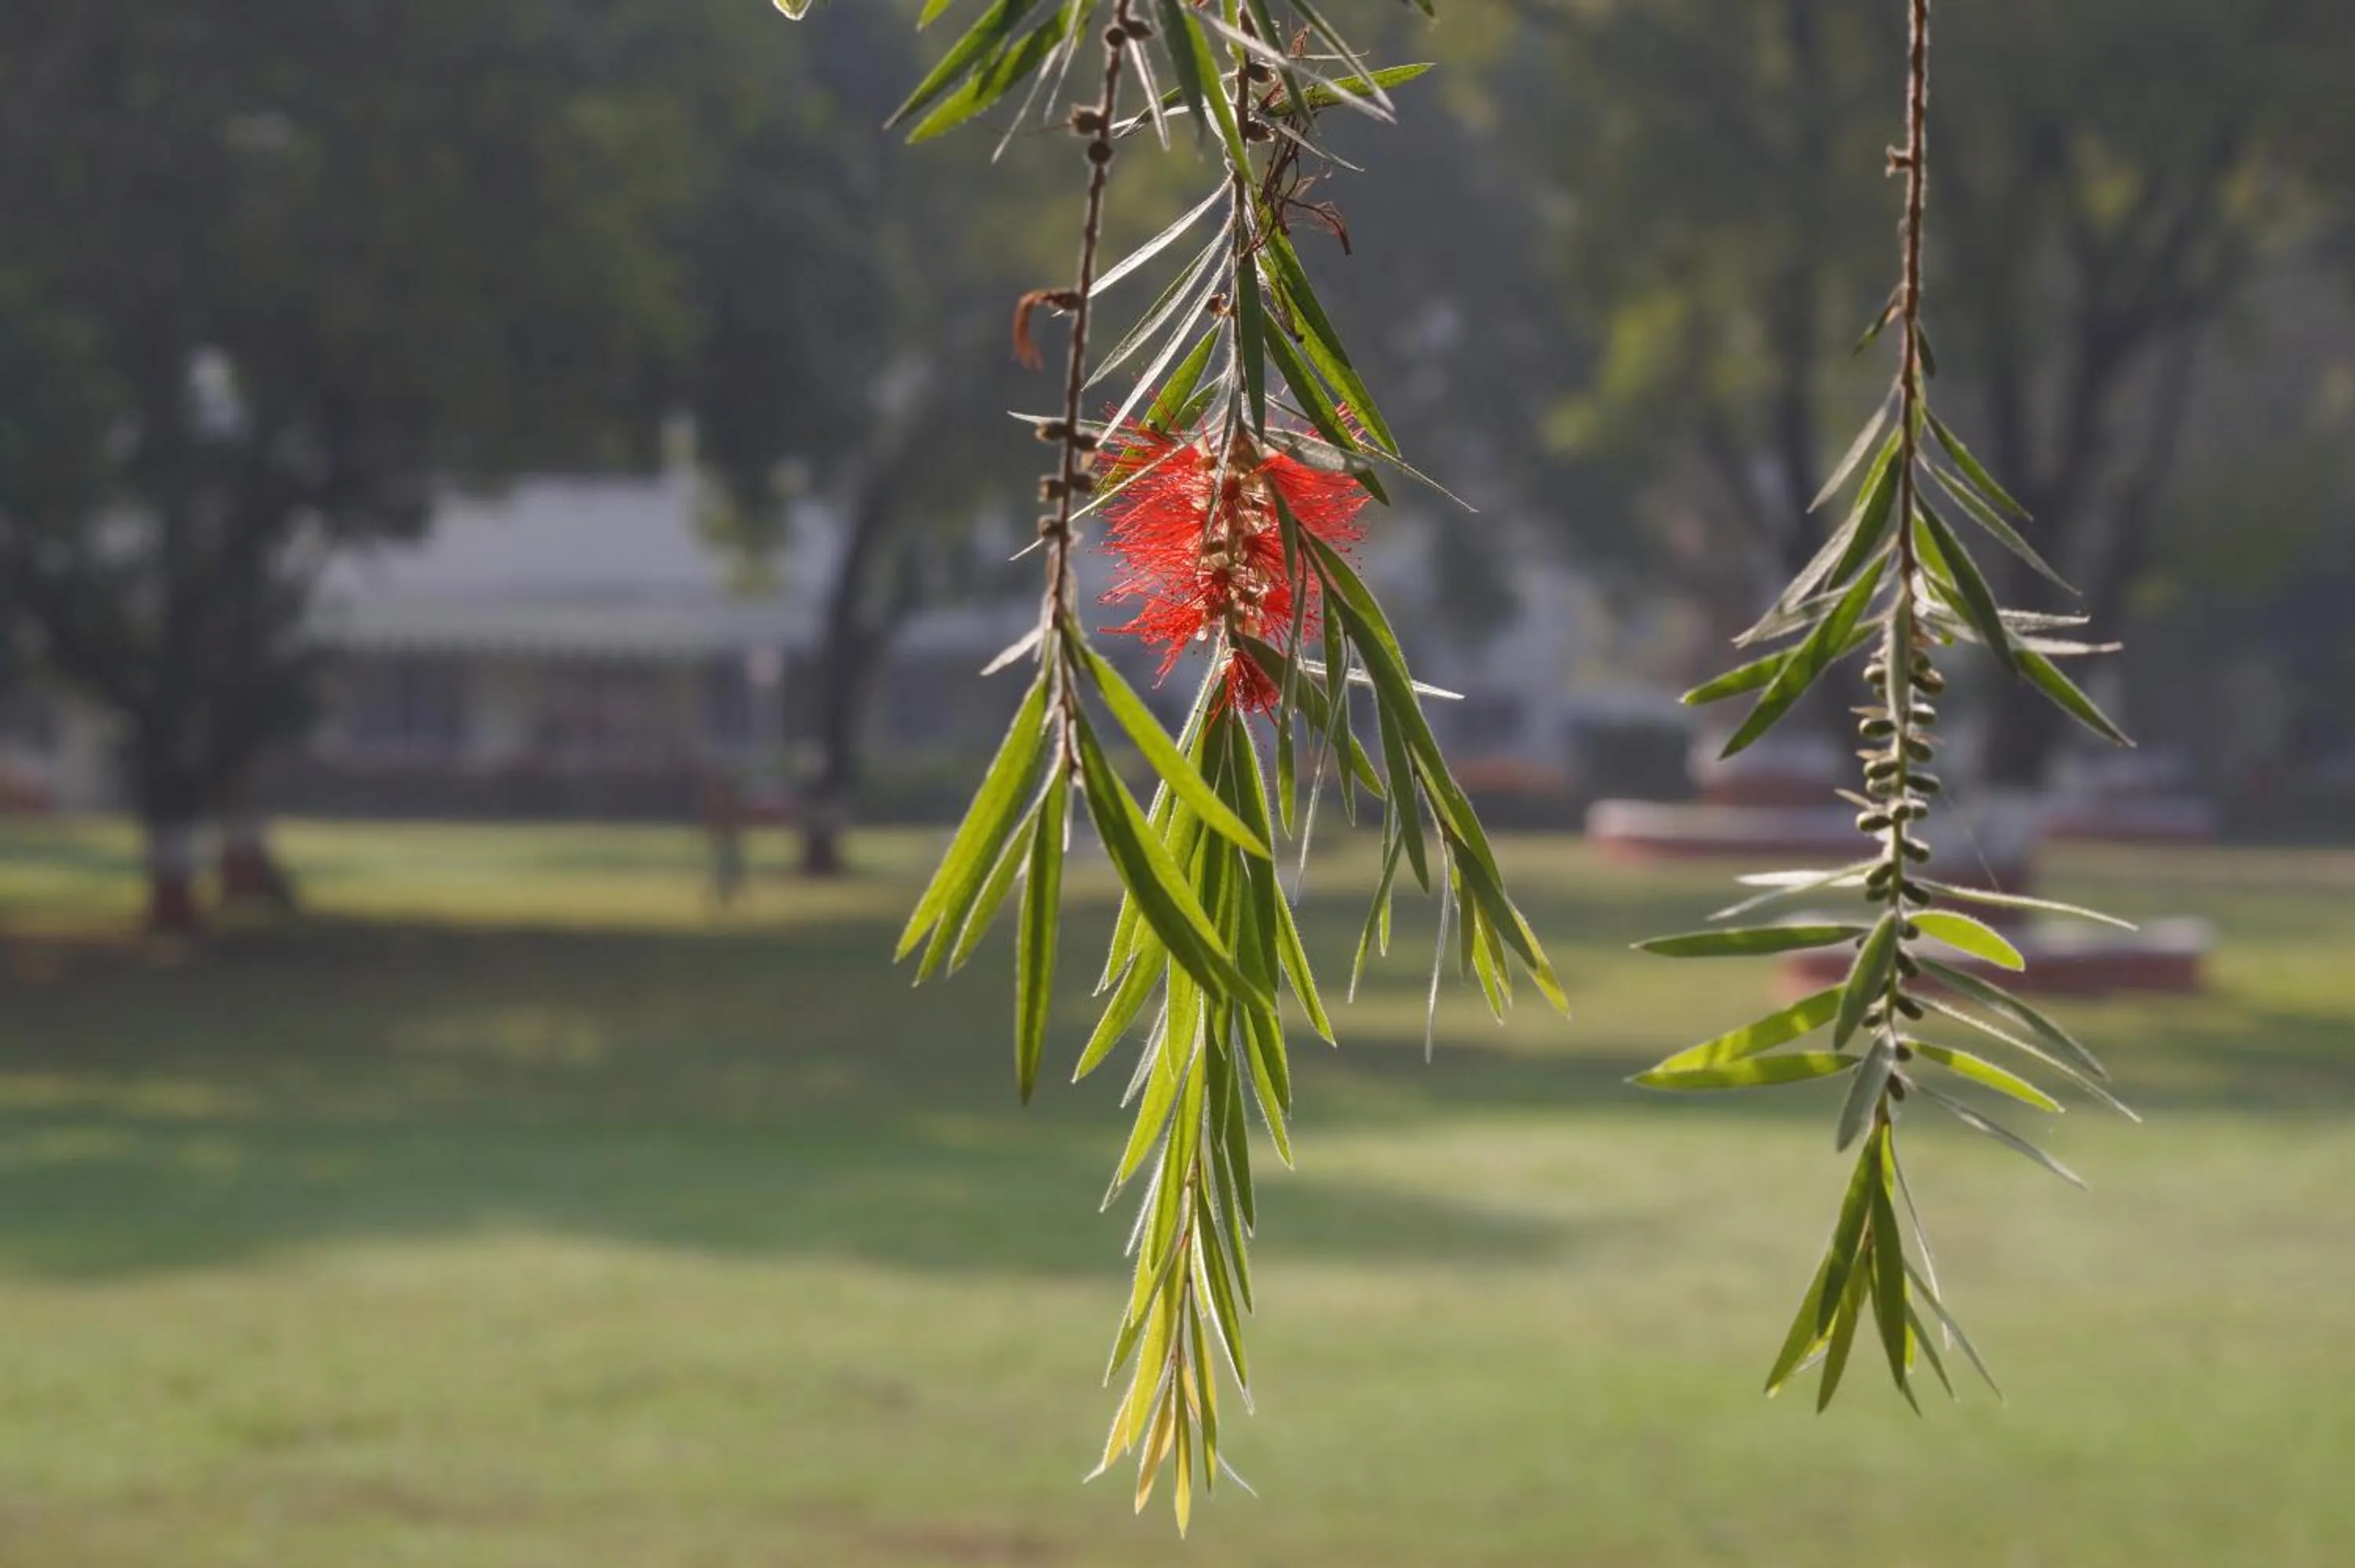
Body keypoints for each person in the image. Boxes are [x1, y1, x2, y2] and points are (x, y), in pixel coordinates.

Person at [701, 772, 748, 911]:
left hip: (729, 842)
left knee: (732, 873)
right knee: (725, 873)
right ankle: (725, 900)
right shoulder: (724, 805)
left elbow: (735, 824)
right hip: (726, 842)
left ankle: (729, 899)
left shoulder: (727, 805)